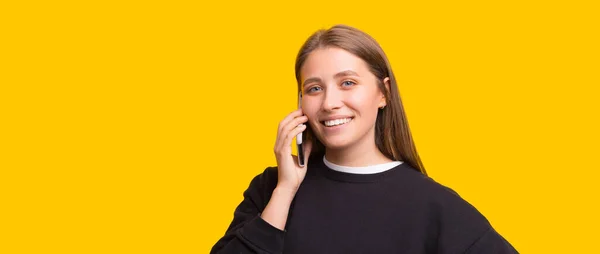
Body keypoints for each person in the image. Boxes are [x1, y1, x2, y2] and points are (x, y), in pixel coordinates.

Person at [210, 24, 518, 254]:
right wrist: (285, 190)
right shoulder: (270, 189)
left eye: (347, 83)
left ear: (383, 93)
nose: (330, 102)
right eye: (314, 88)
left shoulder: (433, 206)